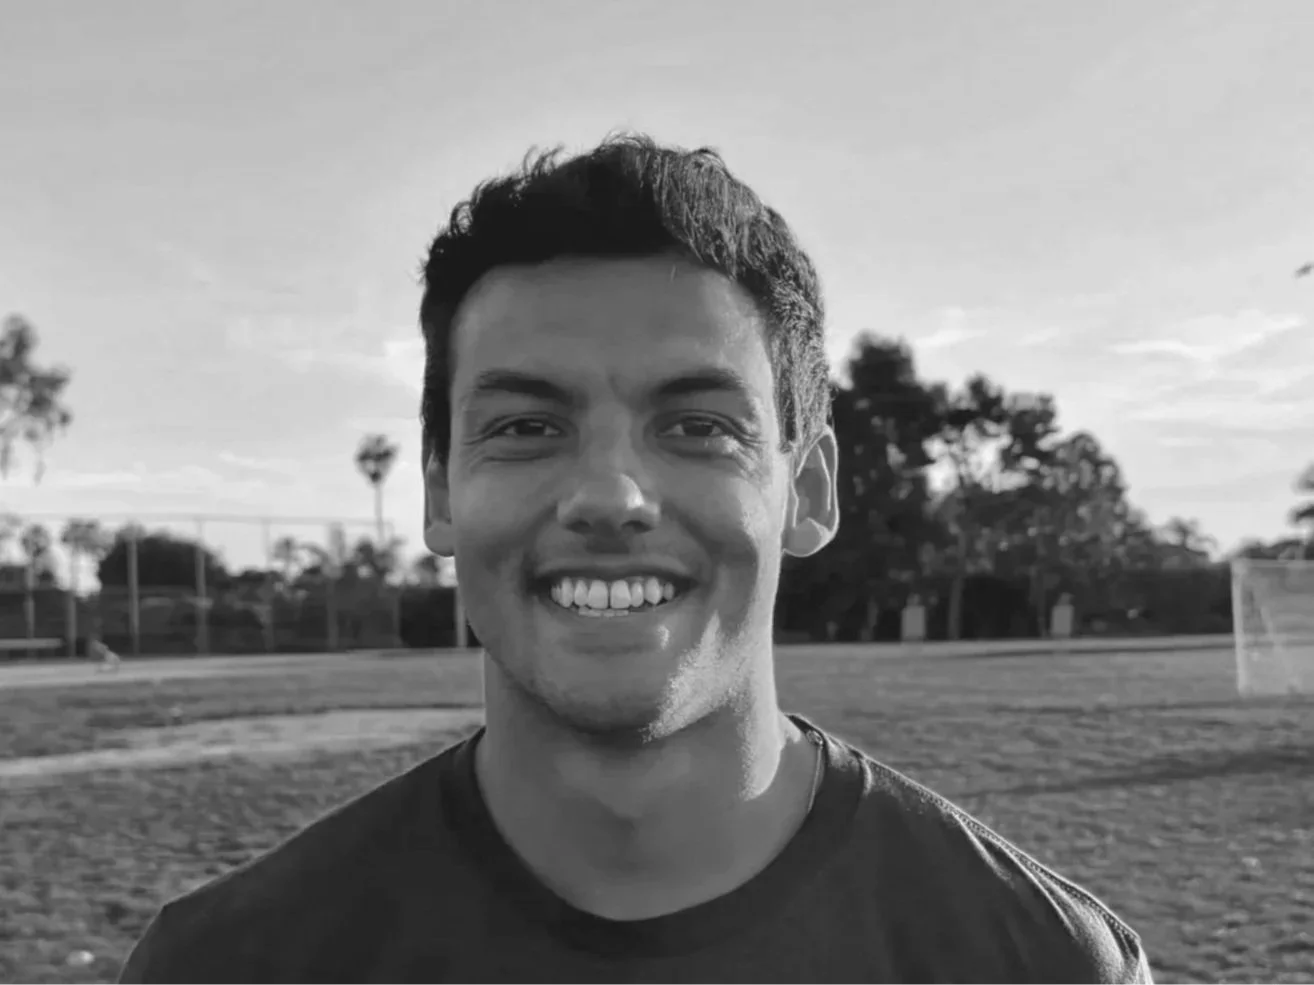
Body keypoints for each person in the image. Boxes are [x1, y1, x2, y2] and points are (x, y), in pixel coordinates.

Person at [120, 134, 1153, 983]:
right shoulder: (226, 967)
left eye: (699, 426)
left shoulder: (1039, 964)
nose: (610, 497)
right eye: (527, 427)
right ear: (438, 493)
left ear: (808, 488)